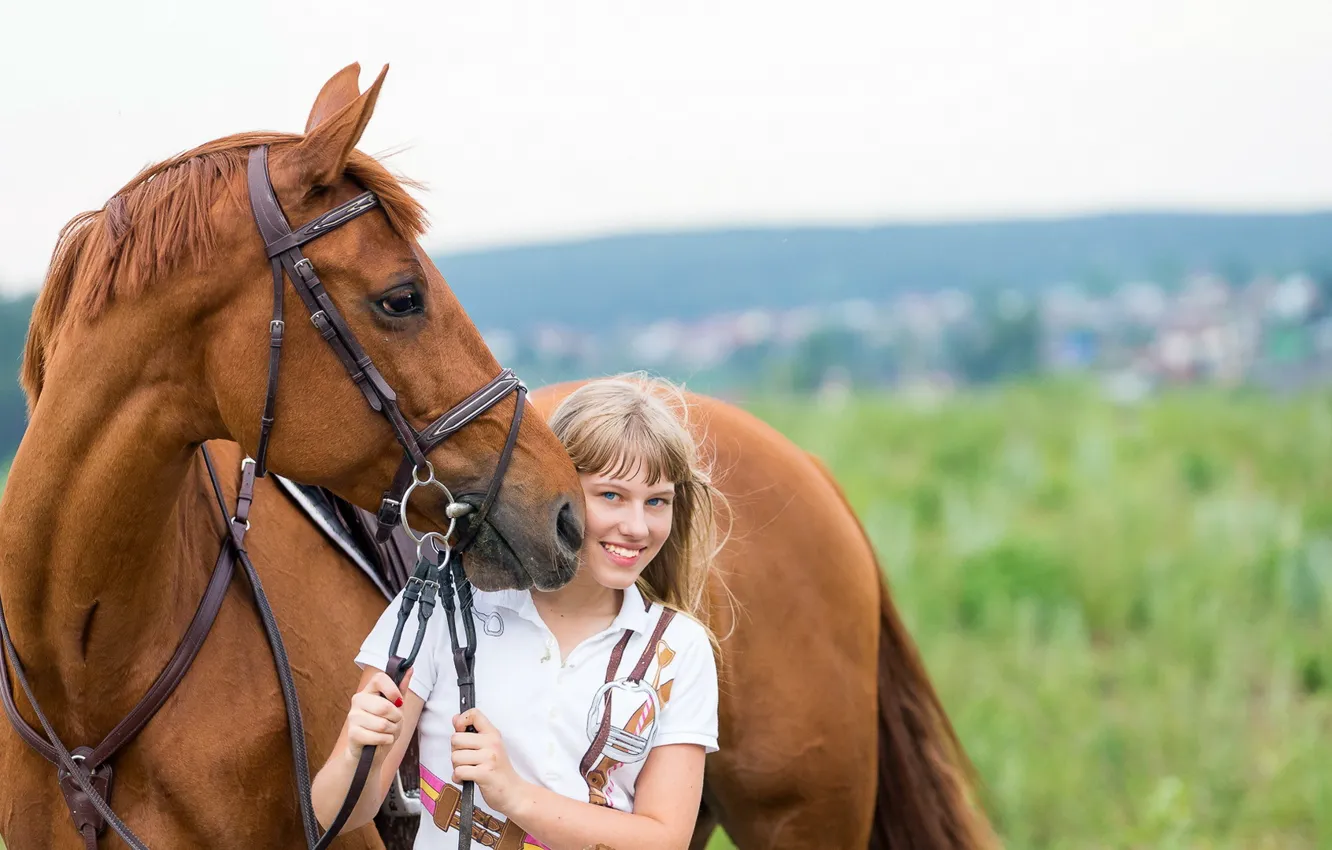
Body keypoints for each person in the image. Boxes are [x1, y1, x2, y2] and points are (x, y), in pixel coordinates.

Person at [312, 374, 724, 850]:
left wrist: (514, 796)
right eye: (611, 495)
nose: (636, 526)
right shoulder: (442, 606)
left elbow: (665, 840)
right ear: (559, 487)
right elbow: (333, 814)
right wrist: (356, 754)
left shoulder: (681, 649)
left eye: (657, 502)